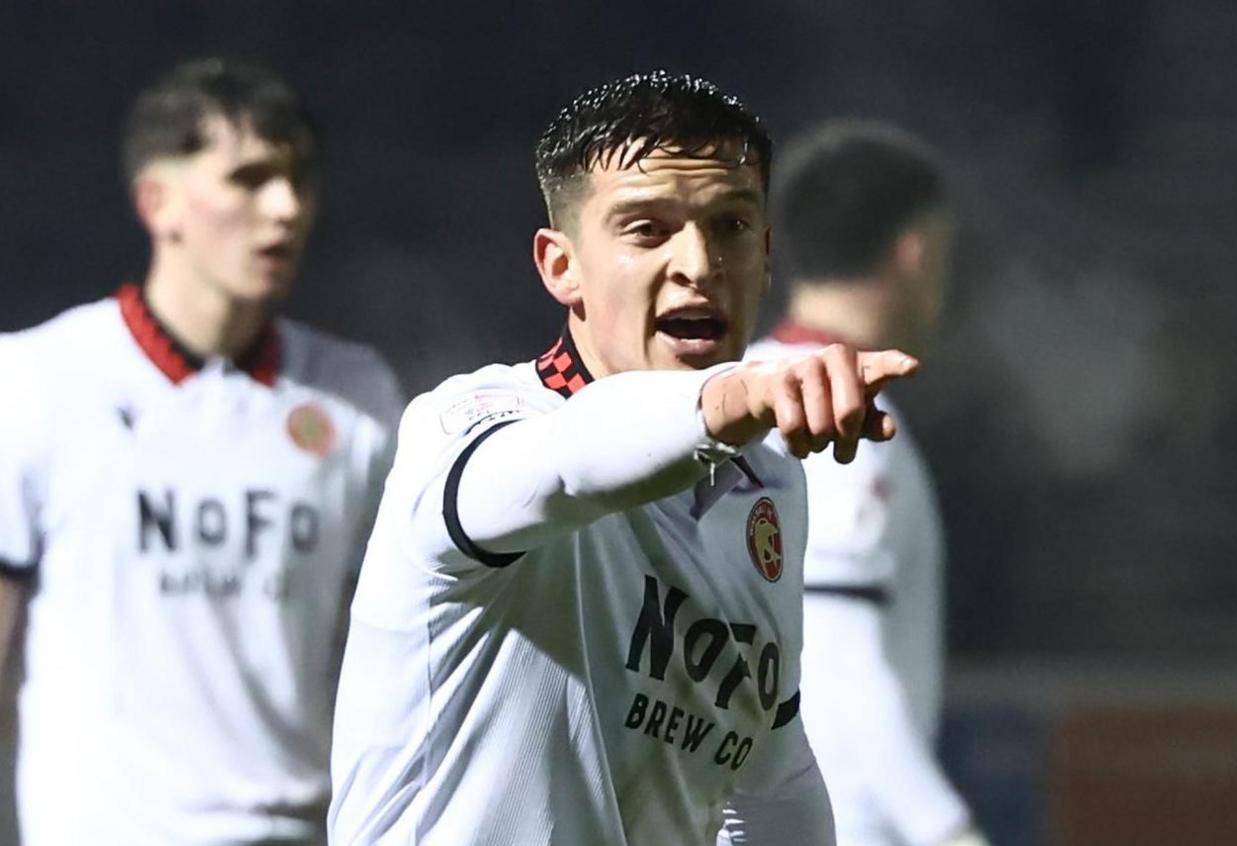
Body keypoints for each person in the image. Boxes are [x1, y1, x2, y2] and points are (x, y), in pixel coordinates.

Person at [328, 71, 918, 845]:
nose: (698, 263)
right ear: (560, 265)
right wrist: (737, 397)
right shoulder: (471, 427)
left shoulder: (767, 487)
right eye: (647, 230)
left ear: (768, 255)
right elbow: (573, 462)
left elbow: (769, 777)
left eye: (731, 226)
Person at [0, 58, 403, 844]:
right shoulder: (35, 379)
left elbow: (394, 655)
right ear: (160, 202)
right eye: (250, 179)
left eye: (299, 181)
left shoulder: (356, 398)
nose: (285, 209)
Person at [745, 120, 988, 846]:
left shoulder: (733, 395)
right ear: (918, 251)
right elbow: (841, 660)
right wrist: (945, 831)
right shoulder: (845, 419)